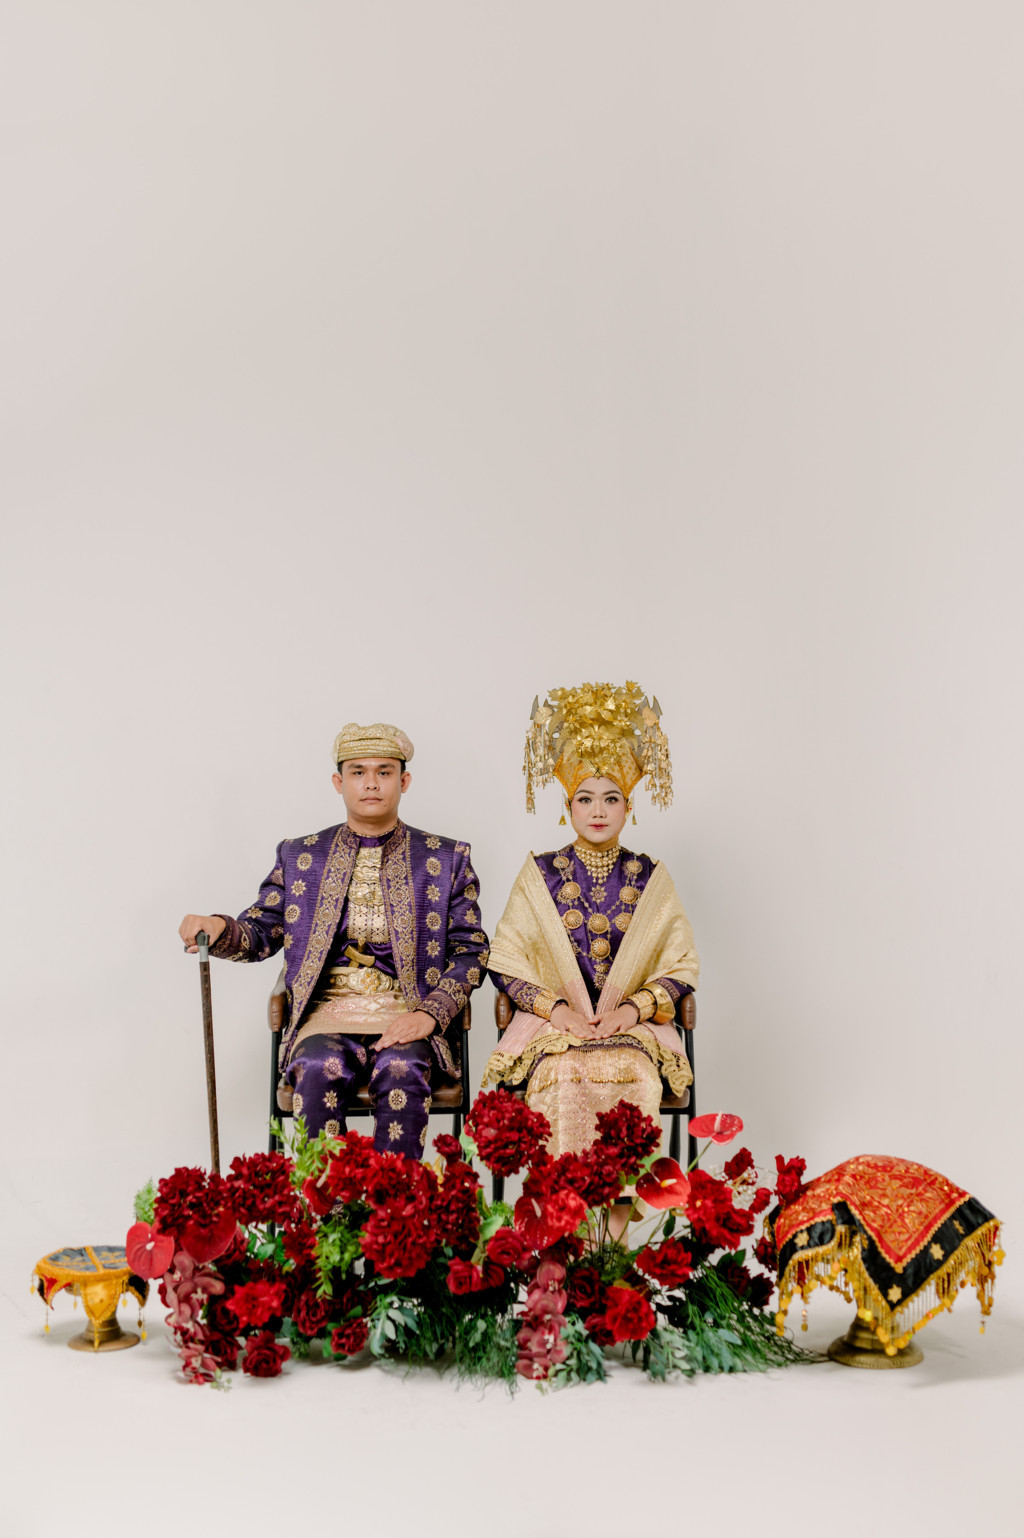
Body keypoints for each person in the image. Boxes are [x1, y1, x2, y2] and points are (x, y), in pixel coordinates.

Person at [179, 723, 488, 1157]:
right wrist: (219, 927)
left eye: (384, 772)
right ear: (338, 782)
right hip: (325, 1014)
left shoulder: (445, 857)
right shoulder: (300, 854)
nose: (371, 783)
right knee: (315, 1067)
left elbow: (471, 951)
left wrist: (430, 1014)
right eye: (358, 772)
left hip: (407, 1012)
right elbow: (263, 930)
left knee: (403, 1069)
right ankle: (328, 1199)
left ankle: (396, 1200)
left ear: (404, 781)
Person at [483, 682, 698, 1176]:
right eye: (585, 798)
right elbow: (506, 958)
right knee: (561, 1074)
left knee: (635, 1073)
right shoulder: (539, 875)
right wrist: (558, 1012)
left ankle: (620, 1222)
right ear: (569, 807)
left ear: (628, 807)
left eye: (611, 798)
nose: (598, 811)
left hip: (632, 1028)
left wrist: (632, 1009)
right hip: (556, 1028)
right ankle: (565, 1216)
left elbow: (682, 962)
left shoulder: (650, 878)